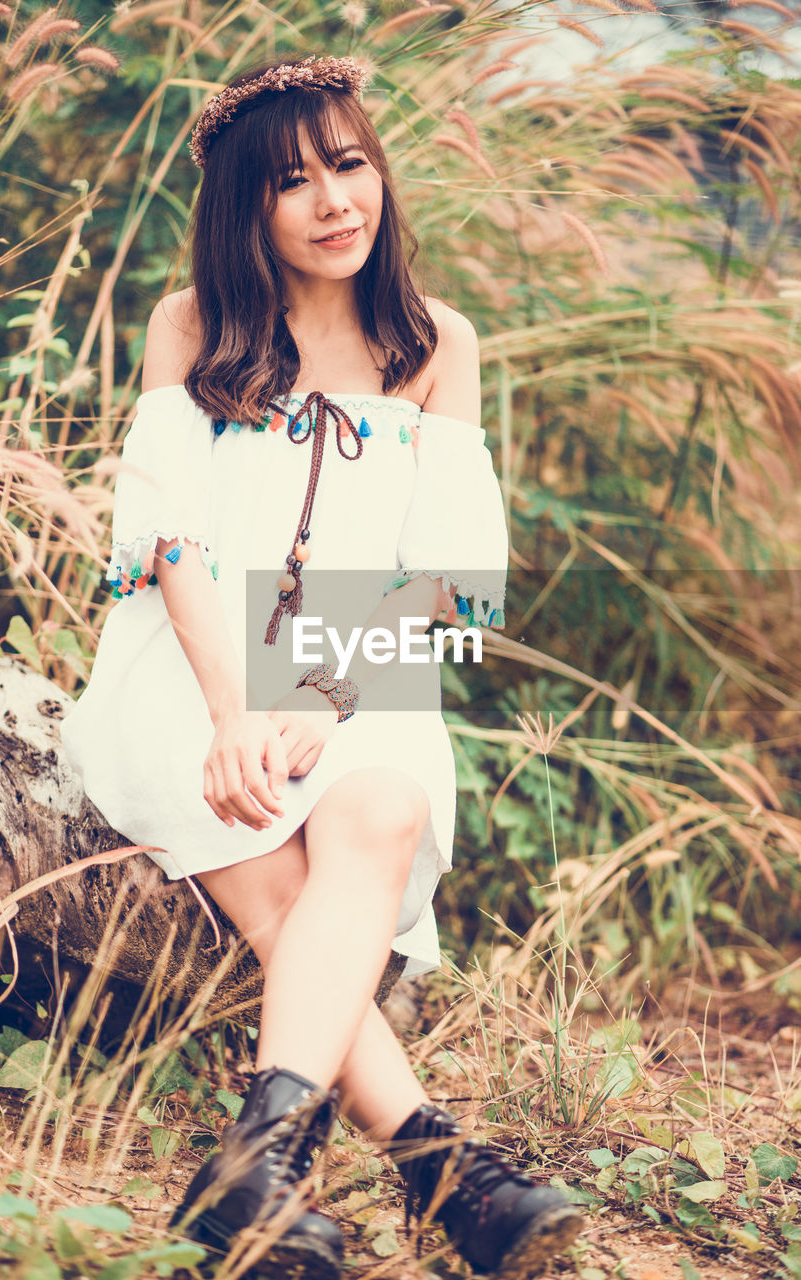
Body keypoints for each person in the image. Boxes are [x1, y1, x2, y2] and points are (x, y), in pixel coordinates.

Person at [60, 55, 582, 1280]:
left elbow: (454, 580)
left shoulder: (431, 341)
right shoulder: (190, 328)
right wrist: (240, 711)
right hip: (187, 671)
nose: (334, 202)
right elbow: (166, 539)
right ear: (245, 208)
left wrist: (318, 699)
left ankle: (266, 1176)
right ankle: (447, 1176)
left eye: (349, 165)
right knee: (292, 905)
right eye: (292, 183)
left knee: (382, 801)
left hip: (362, 657)